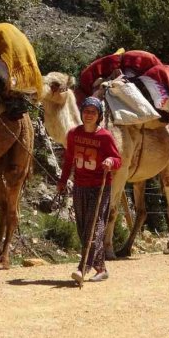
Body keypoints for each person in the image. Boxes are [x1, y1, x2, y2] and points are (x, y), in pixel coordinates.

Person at [56, 97, 121, 285]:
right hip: (80, 187)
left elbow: (118, 159)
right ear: (81, 113)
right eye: (86, 111)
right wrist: (62, 180)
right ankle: (101, 269)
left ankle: (82, 268)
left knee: (95, 227)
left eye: (93, 112)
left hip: (99, 187)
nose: (89, 115)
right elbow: (69, 160)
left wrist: (110, 161)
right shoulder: (73, 134)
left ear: (99, 115)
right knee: (83, 230)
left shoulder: (105, 137)